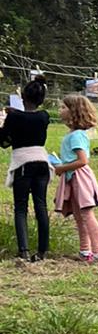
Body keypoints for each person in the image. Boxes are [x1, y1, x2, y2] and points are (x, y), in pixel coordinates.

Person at [0, 73, 52, 261]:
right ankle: (43, 250)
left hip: (23, 162)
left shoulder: (14, 116)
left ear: (22, 97)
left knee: (21, 207)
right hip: (42, 163)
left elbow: (3, 141)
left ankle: (24, 250)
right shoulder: (44, 116)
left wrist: (4, 123)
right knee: (41, 205)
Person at [53, 94, 98, 263]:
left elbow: (83, 161)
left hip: (79, 177)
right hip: (72, 177)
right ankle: (85, 250)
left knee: (86, 214)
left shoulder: (76, 135)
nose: (60, 110)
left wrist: (62, 168)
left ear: (74, 112)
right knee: (78, 215)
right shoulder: (72, 134)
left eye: (63, 107)